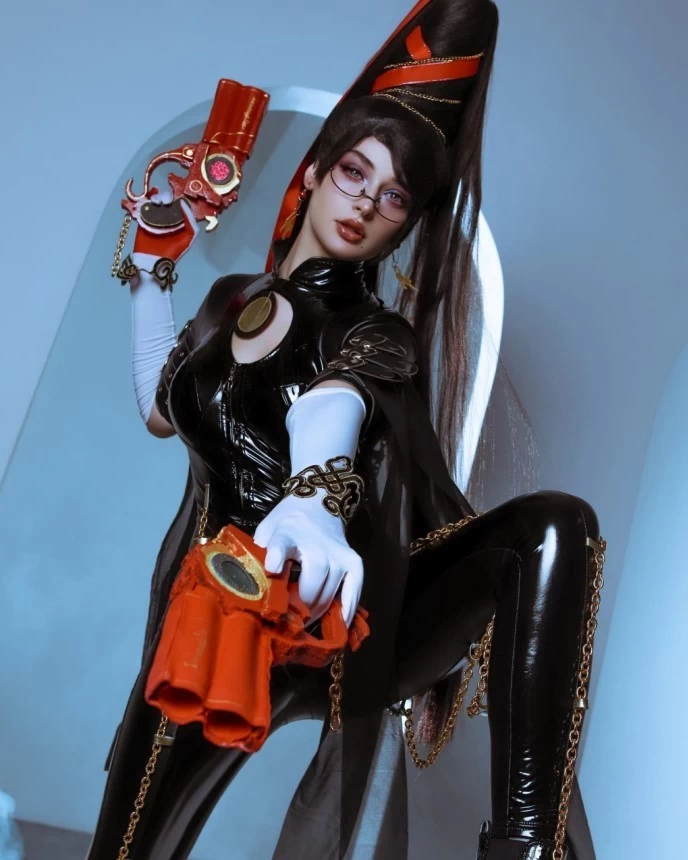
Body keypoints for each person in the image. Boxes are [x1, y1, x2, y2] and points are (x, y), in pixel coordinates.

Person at [88, 1, 606, 858]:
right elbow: (160, 407)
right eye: (355, 173)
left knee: (555, 525)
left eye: (393, 196)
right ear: (318, 171)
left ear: (408, 222)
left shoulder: (372, 331)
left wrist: (314, 498)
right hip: (225, 609)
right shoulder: (229, 301)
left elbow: (338, 397)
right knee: (126, 846)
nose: (365, 203)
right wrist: (150, 267)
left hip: (341, 614)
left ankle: (527, 846)